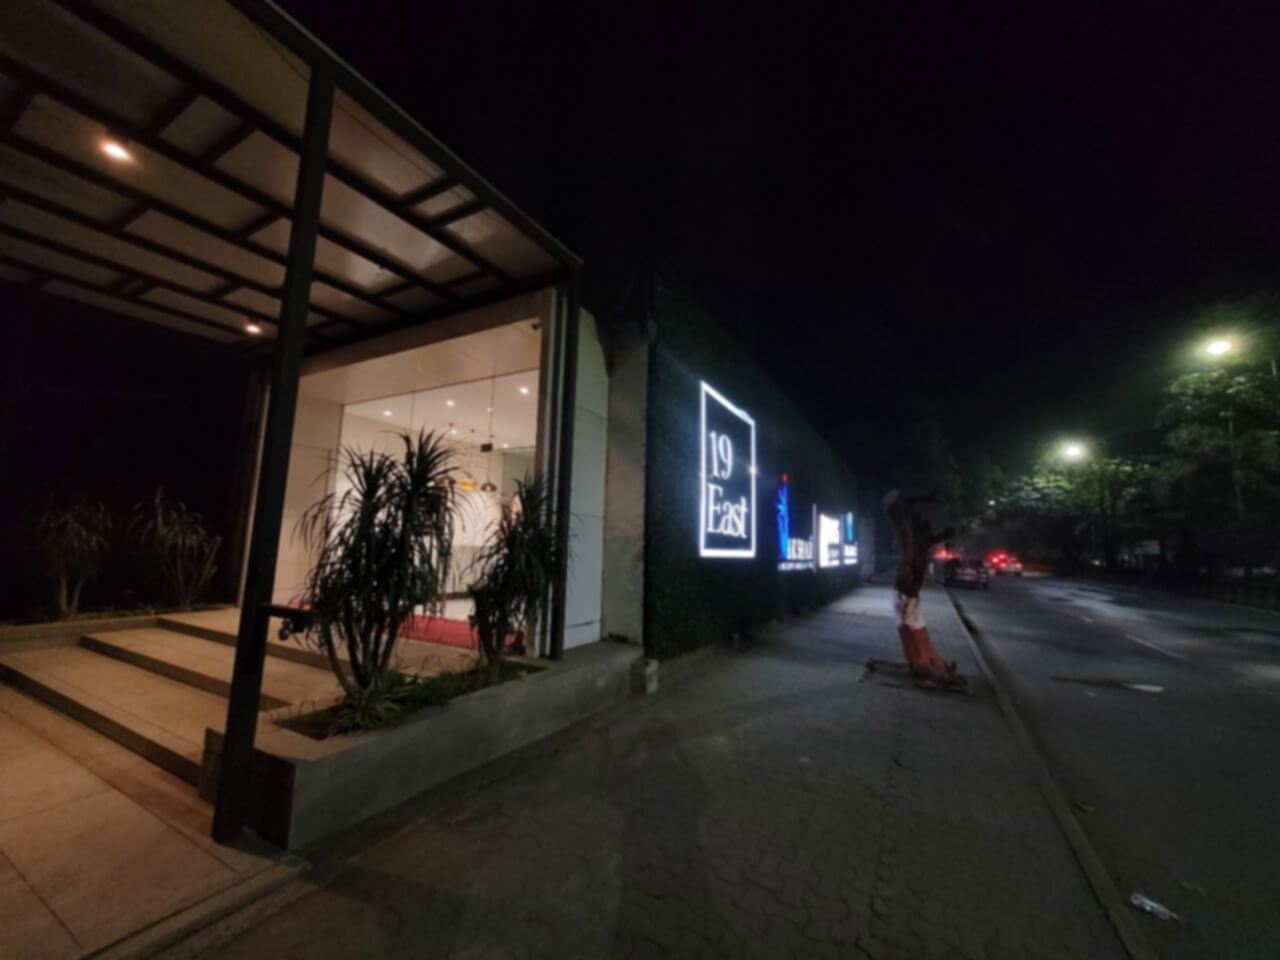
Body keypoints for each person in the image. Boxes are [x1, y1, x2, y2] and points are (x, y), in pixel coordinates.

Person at [881, 490, 966, 691]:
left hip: (910, 592)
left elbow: (932, 537)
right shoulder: (909, 535)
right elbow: (901, 511)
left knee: (915, 627)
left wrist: (945, 534)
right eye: (921, 521)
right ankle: (923, 665)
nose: (924, 521)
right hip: (906, 591)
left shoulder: (921, 540)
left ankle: (929, 664)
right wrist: (924, 497)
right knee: (911, 628)